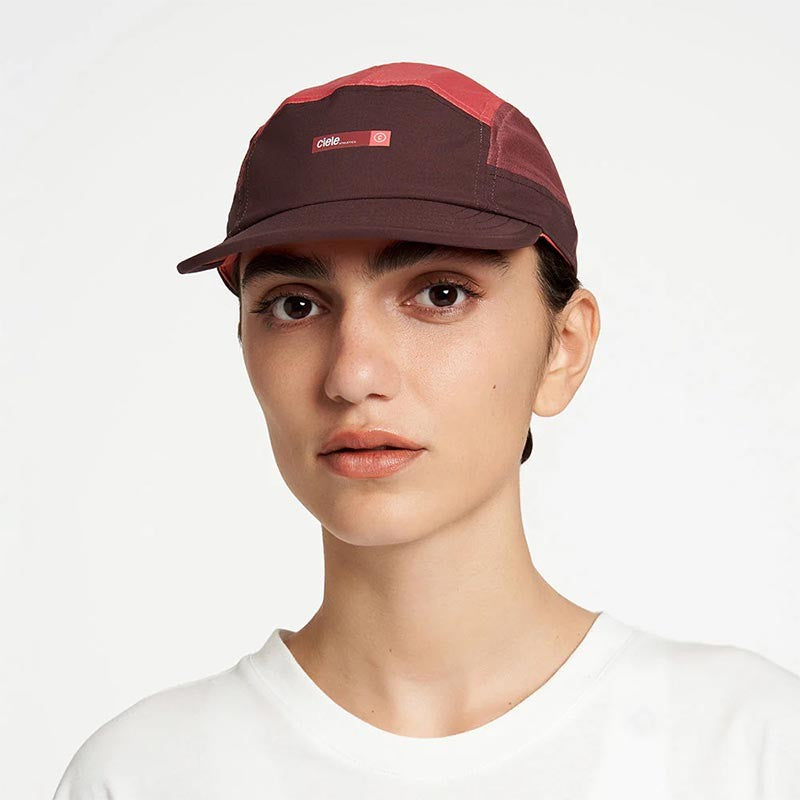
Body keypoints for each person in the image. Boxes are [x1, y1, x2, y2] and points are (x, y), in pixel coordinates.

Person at [53, 61, 800, 799]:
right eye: (294, 305)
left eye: (441, 294)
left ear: (563, 347)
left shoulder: (752, 750)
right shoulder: (141, 776)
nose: (352, 376)